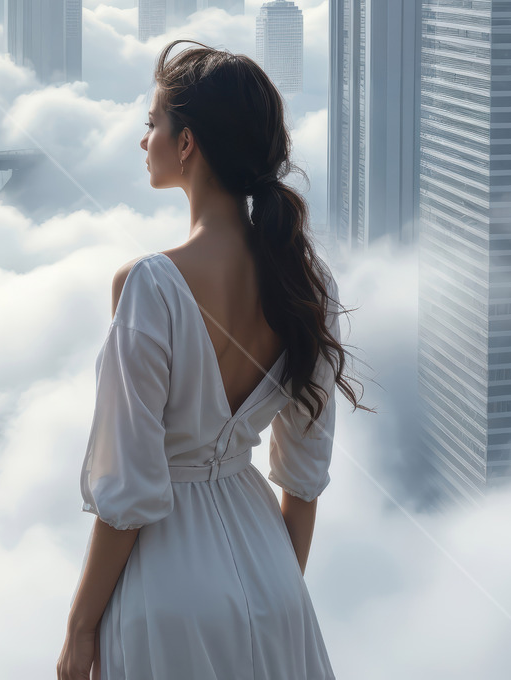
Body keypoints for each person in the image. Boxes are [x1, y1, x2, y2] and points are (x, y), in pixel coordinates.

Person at [57, 41, 367, 680]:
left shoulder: (149, 284)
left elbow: (131, 494)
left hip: (164, 592)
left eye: (153, 124)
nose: (145, 141)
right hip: (274, 574)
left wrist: (80, 630)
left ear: (188, 143)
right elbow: (303, 481)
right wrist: (267, 589)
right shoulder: (308, 284)